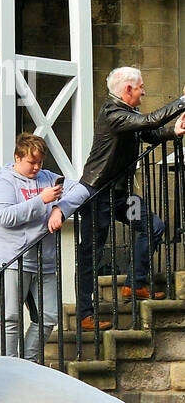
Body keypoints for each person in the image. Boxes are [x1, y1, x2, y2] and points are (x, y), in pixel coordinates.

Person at [71, 67, 185, 329]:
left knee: (153, 226)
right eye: (141, 87)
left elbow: (150, 133)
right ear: (128, 90)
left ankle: (134, 284)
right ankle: (85, 315)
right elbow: (148, 122)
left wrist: (174, 131)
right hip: (98, 193)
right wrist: (182, 102)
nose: (144, 91)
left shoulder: (128, 114)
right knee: (91, 253)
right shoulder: (113, 113)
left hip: (121, 196)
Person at [0, 133, 82, 360]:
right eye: (31, 162)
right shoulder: (3, 182)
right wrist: (42, 201)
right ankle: (8, 367)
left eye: (40, 162)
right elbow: (3, 216)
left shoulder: (48, 178)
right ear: (18, 158)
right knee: (10, 318)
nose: (37, 167)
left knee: (48, 316)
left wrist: (61, 209)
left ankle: (29, 363)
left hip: (43, 261)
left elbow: (82, 190)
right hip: (9, 259)